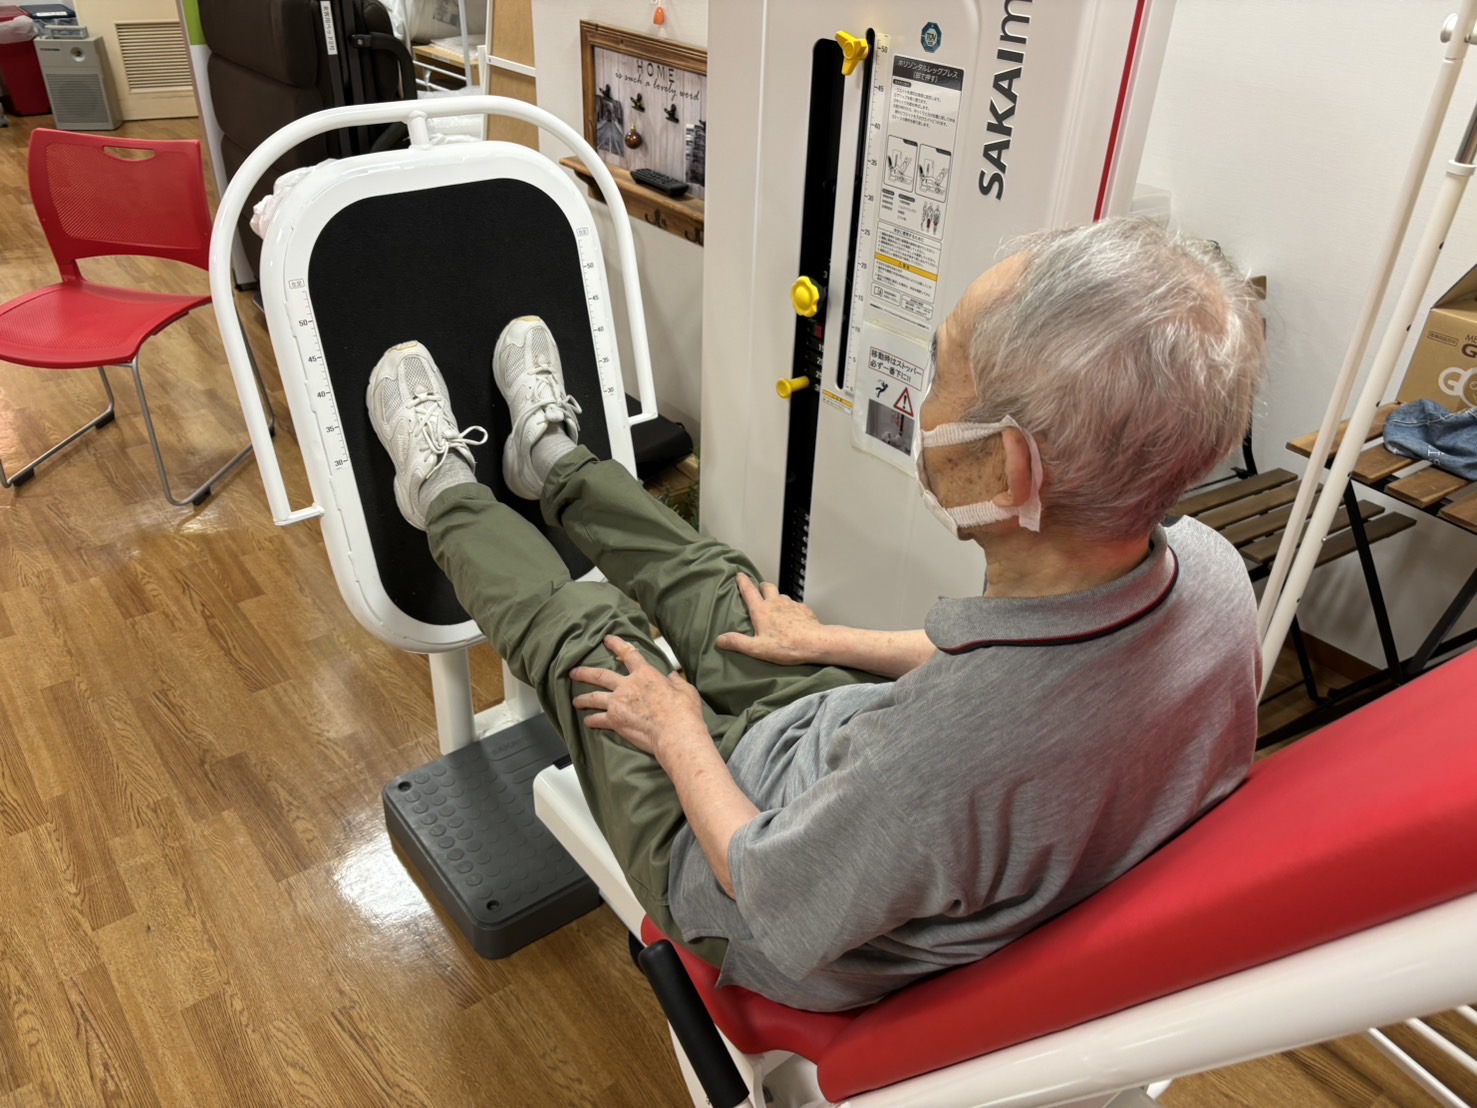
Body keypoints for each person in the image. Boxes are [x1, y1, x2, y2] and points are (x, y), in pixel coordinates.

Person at [365, 217, 1265, 1013]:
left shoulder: (946, 759)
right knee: (720, 584)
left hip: (742, 874)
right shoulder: (1211, 577)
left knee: (591, 634)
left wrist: (679, 732)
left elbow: (761, 885)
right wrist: (824, 640)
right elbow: (1015, 676)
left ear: (1007, 466)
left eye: (939, 370)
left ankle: (440, 490)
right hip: (845, 770)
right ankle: (551, 461)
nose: (920, 404)